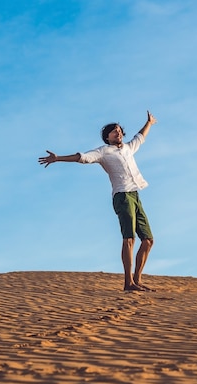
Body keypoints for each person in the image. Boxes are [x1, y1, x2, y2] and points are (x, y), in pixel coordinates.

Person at [38, 111, 157, 291]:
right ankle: (128, 283)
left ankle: (137, 279)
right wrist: (58, 158)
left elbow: (140, 137)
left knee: (148, 240)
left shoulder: (128, 148)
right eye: (113, 131)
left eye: (119, 130)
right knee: (129, 239)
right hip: (122, 196)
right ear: (107, 138)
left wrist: (149, 122)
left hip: (135, 194)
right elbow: (83, 157)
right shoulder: (103, 152)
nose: (118, 132)